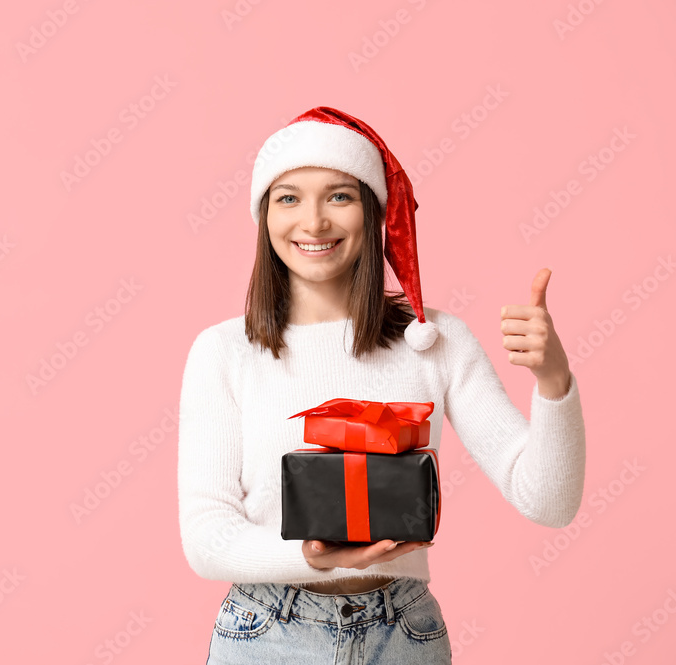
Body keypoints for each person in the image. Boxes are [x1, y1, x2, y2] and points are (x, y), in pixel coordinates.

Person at [176, 107, 586, 664]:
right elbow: (207, 538)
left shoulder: (435, 341)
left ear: (373, 212)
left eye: (340, 196)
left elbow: (548, 502)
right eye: (288, 198)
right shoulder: (223, 352)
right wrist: (315, 557)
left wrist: (553, 380)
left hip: (405, 637)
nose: (314, 222)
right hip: (268, 634)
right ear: (264, 215)